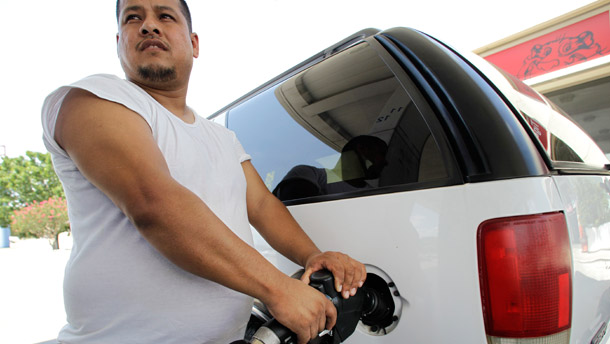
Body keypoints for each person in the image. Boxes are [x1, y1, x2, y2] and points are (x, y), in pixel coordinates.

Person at [40, 0, 366, 343]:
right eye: (133, 18)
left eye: (165, 16)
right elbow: (154, 203)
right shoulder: (94, 98)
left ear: (193, 43)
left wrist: (312, 255)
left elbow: (262, 206)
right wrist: (278, 288)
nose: (149, 25)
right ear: (119, 40)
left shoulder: (223, 138)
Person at [273, 135, 388, 201]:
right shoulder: (310, 175)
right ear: (362, 149)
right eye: (382, 154)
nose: (385, 162)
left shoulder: (376, 196)